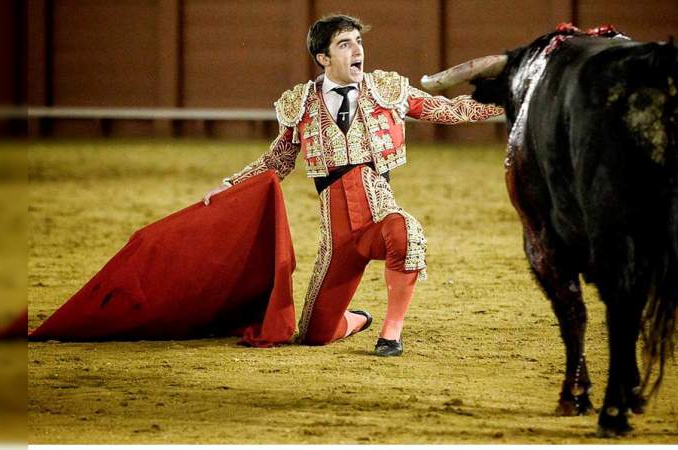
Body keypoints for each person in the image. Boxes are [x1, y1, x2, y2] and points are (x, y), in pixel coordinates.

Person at [203, 14, 503, 356]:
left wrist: (505, 97)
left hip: (379, 218)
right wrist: (230, 186)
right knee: (315, 335)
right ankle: (358, 319)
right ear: (323, 58)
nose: (357, 49)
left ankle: (391, 334)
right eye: (345, 44)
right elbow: (277, 161)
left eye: (359, 41)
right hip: (337, 241)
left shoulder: (387, 90)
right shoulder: (301, 104)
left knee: (406, 233)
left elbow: (452, 110)